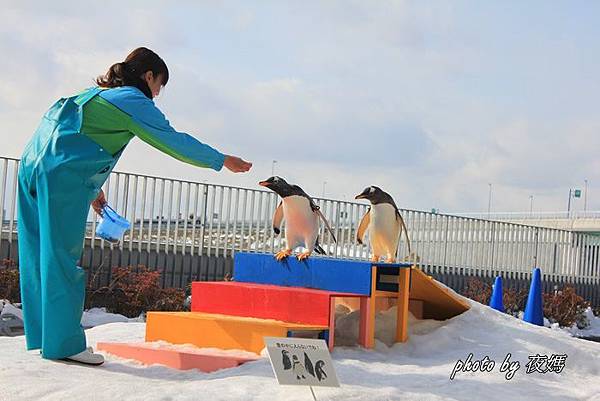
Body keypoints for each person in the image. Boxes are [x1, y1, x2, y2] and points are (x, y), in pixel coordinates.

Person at [17, 47, 252, 366]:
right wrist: (221, 160)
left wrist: (92, 189)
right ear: (148, 75)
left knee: (38, 253)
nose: (158, 93)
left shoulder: (96, 94)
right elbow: (173, 141)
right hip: (62, 175)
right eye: (160, 84)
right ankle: (63, 343)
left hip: (33, 166)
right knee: (61, 256)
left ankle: (46, 336)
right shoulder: (134, 100)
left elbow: (74, 138)